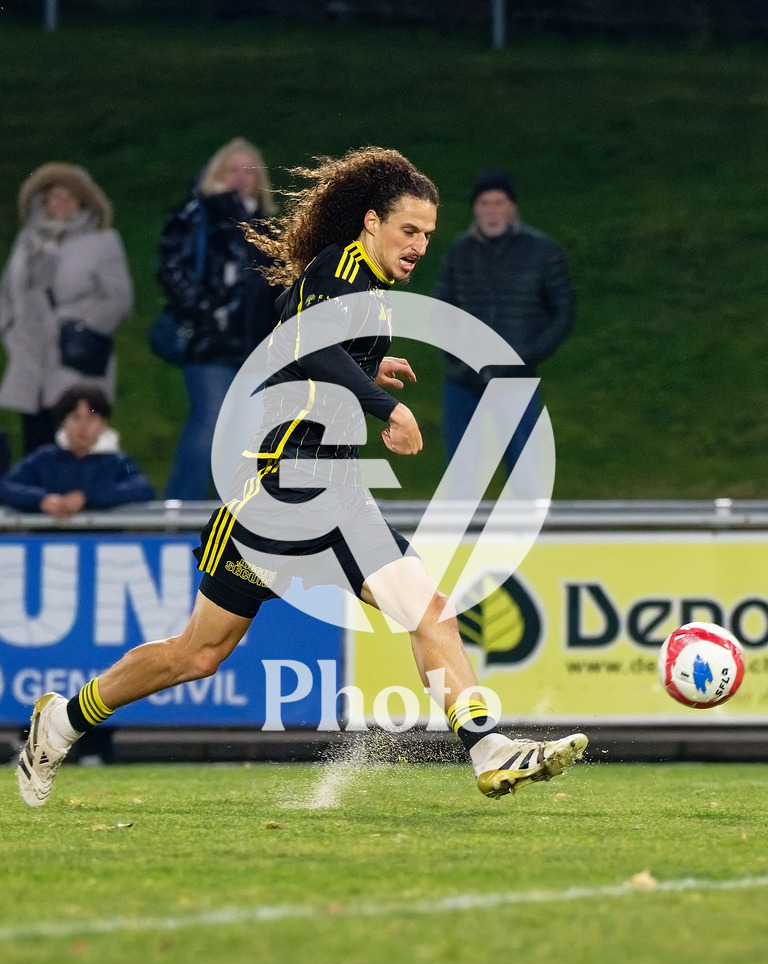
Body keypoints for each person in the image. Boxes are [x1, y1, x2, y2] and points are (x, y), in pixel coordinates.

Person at [16, 146, 586, 809]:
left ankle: (59, 721)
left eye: (429, 234)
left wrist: (369, 367)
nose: (420, 245)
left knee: (204, 653)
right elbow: (307, 338)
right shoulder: (340, 268)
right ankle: (489, 750)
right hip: (286, 485)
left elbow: (302, 341)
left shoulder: (363, 286)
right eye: (409, 230)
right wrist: (387, 406)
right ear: (371, 222)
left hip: (309, 488)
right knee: (409, 612)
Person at [433, 169, 575, 494]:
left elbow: (563, 311)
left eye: (499, 202)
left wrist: (528, 356)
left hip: (516, 379)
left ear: (512, 207)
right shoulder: (460, 252)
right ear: (475, 208)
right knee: (461, 472)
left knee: (524, 470)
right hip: (463, 379)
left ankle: (525, 538)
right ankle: (463, 539)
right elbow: (439, 310)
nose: (492, 211)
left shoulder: (541, 252)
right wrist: (456, 355)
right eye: (485, 203)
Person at [159, 137, 283, 500]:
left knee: (251, 438)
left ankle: (236, 518)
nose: (242, 177)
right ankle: (178, 510)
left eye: (250, 169)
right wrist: (205, 310)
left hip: (258, 350)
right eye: (233, 169)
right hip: (211, 346)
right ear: (217, 173)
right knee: (210, 424)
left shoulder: (270, 229)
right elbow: (170, 266)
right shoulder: (198, 216)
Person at [0, 163, 133, 455]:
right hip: (30, 356)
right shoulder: (27, 241)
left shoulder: (102, 241)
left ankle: (81, 499)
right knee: (35, 442)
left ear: (83, 203)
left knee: (75, 436)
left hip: (73, 356)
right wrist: (9, 329)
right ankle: (39, 500)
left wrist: (82, 325)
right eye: (56, 196)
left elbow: (119, 298)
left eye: (71, 198)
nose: (63, 203)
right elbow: (9, 289)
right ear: (43, 201)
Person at [0, 384, 154, 516]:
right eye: (76, 418)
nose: (83, 427)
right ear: (63, 423)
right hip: (51, 541)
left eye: (91, 419)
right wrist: (42, 499)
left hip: (102, 543)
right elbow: (6, 487)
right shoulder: (44, 458)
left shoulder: (117, 461)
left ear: (103, 424)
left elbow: (142, 489)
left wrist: (87, 498)